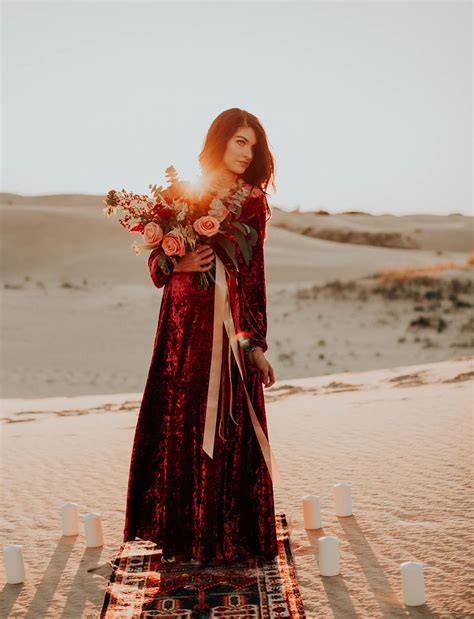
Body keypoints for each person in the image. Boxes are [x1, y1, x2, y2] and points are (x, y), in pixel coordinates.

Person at [123, 108, 278, 566]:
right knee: (180, 420)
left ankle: (226, 537)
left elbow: (253, 276)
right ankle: (179, 534)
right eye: (239, 142)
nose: (247, 153)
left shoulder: (251, 201)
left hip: (228, 327)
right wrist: (176, 262)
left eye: (253, 145)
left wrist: (256, 345)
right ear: (220, 141)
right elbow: (155, 266)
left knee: (226, 421)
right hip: (179, 326)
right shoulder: (178, 193)